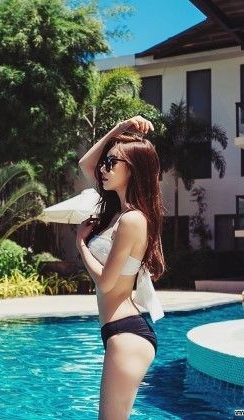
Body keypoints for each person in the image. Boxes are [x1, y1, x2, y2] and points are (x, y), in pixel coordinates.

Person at [76, 115, 166, 419]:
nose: (103, 168)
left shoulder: (132, 220)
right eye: (106, 161)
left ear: (133, 169)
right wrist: (120, 128)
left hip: (127, 333)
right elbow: (85, 164)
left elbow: (105, 282)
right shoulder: (117, 212)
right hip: (118, 330)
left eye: (112, 162)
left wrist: (81, 244)